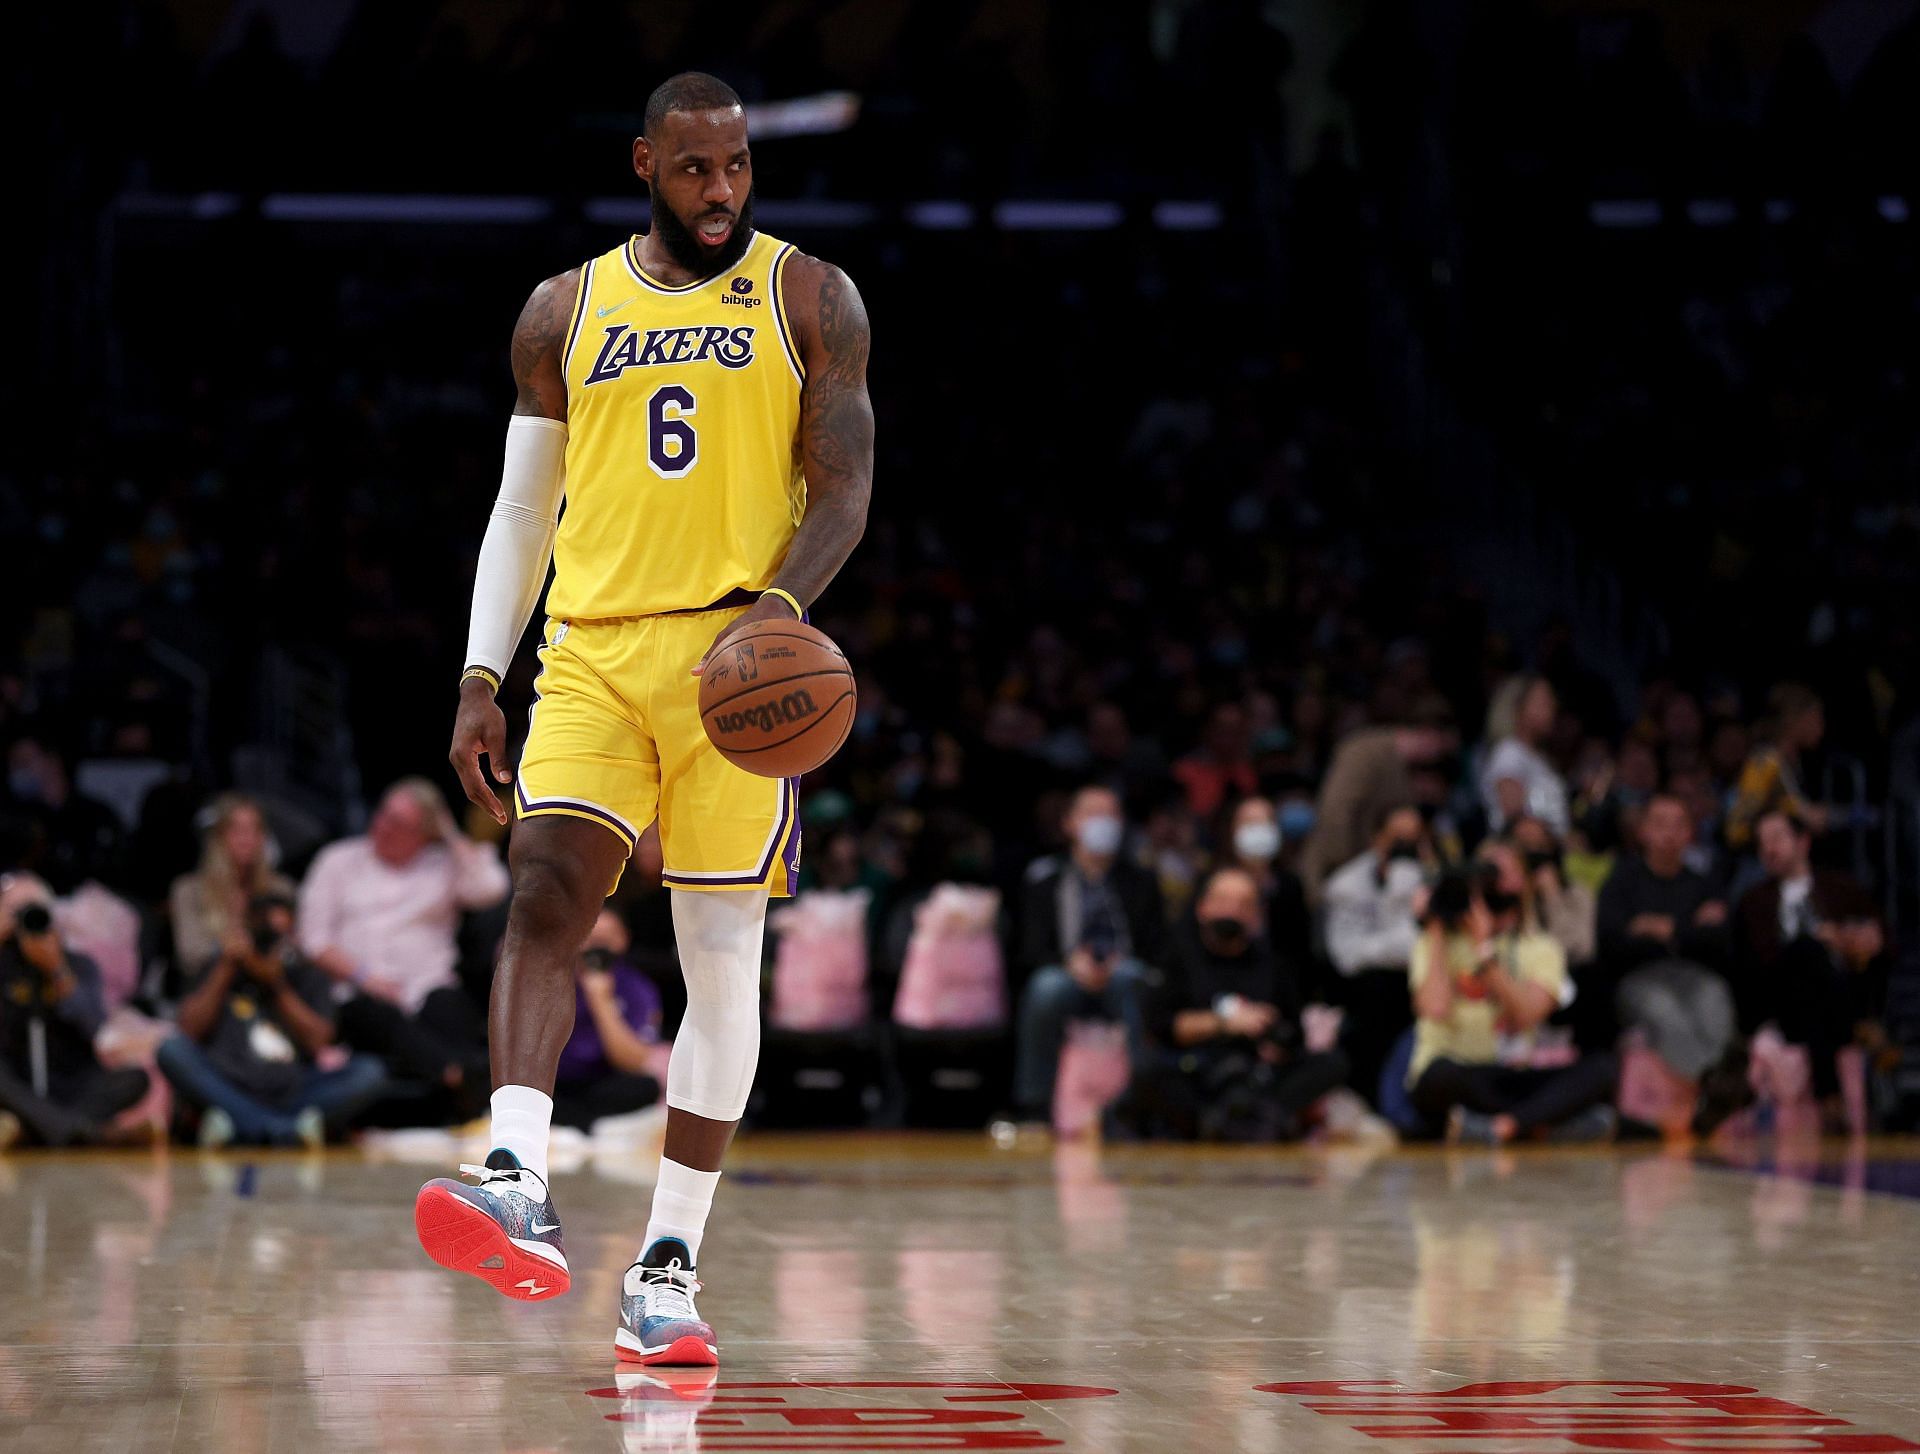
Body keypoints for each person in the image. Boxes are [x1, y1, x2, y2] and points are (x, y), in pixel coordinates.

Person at [418, 72, 873, 1373]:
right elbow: (520, 512)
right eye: (694, 170)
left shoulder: (808, 295)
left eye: (735, 168)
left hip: (739, 658)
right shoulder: (565, 309)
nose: (721, 191)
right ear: (645, 164)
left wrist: (778, 609)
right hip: (596, 652)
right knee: (546, 885)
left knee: (719, 952)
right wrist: (478, 673)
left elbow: (844, 488)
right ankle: (517, 1167)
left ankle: (667, 1262)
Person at [300, 779, 506, 1102]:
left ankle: (466, 1086)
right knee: (378, 1016)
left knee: (451, 1010)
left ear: (424, 834)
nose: (382, 826)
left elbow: (491, 887)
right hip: (358, 993)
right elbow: (313, 940)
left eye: (398, 823)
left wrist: (449, 832)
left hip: (427, 989)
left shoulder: (443, 865)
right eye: (383, 813)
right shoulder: (337, 860)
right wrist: (366, 979)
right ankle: (463, 1077)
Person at [1406, 856, 1618, 1144]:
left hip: (1514, 1073)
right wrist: (1436, 927)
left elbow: (1525, 1016)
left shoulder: (1541, 947)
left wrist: (1485, 950)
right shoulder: (1432, 943)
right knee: (1437, 1076)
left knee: (1601, 1069)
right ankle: (1543, 1124)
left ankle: (1502, 1127)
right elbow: (1435, 1007)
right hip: (1461, 1076)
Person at [1127, 867, 1349, 1141]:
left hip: (1258, 1073)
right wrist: (1224, 1024)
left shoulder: (1273, 963)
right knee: (1145, 1070)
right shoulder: (1176, 956)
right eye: (1223, 901)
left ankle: (1259, 1115)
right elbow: (1161, 1026)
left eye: (1243, 904)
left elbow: (1294, 1035)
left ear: (1256, 914)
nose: (1232, 911)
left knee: (1331, 1063)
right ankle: (1209, 1121)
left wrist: (1276, 1040)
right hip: (1196, 1069)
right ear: (1203, 907)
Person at [156, 891, 385, 1147]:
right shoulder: (219, 965)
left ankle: (243, 1125)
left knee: (369, 1072)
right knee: (171, 1049)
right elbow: (189, 1029)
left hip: (291, 1089)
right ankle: (282, 1129)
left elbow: (318, 1041)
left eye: (279, 936)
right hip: (227, 1085)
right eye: (262, 935)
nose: (269, 944)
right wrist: (226, 966)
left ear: (293, 934)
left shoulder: (307, 973)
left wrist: (277, 985)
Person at [1011, 786, 1162, 1122]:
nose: (1104, 822)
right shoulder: (1044, 877)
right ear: (1069, 823)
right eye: (1093, 813)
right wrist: (1071, 963)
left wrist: (1116, 965)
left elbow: (1156, 948)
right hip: (1067, 972)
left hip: (1123, 971)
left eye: (1111, 814)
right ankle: (1035, 1105)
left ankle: (1137, 1102)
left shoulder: (1141, 880)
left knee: (1133, 982)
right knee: (1046, 988)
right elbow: (1030, 949)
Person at [1733, 811, 1887, 1100]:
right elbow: (1753, 965)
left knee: (1822, 970)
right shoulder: (1753, 902)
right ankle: (1835, 1086)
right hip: (1784, 1005)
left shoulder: (1842, 888)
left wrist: (1851, 940)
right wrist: (1817, 941)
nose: (1768, 848)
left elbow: (1880, 939)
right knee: (1807, 951)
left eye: (1777, 837)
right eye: (1761, 842)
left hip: (1842, 994)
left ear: (1803, 842)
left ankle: (1831, 1095)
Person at [0, 872, 150, 1146]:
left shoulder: (78, 965)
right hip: (15, 1080)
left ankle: (35, 1129)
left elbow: (94, 1025)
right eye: (17, 912)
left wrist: (56, 969)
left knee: (135, 1079)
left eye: (34, 910)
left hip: (70, 1081)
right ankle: (85, 1133)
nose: (26, 919)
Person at [1321, 803, 1430, 1105]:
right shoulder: (1345, 885)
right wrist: (1399, 898)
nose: (1404, 847)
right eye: (1397, 837)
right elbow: (1347, 957)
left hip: (1423, 985)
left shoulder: (1432, 880)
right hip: (1363, 992)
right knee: (1380, 989)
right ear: (1377, 838)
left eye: (1414, 838)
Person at [554, 908, 667, 1131]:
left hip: (607, 1082)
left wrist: (601, 1002)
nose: (596, 949)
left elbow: (635, 1061)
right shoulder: (554, 982)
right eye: (589, 938)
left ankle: (584, 1127)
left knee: (645, 1087)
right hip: (558, 1082)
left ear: (622, 940)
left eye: (605, 940)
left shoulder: (638, 988)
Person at [169, 793, 295, 982]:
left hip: (270, 983)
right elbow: (190, 955)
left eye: (254, 830)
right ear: (218, 837)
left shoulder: (280, 889)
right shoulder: (189, 890)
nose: (247, 839)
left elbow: (297, 950)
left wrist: (281, 936)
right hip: (212, 984)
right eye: (237, 830)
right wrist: (228, 948)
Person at [1725, 684, 1829, 851]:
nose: (1821, 727)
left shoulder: (1795, 763)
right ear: (1795, 720)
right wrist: (1800, 815)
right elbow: (1737, 829)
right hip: (1761, 862)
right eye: (1816, 718)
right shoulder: (1765, 763)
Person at [1218, 795, 1313, 978]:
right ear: (1232, 831)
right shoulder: (1215, 883)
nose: (1259, 830)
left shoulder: (1289, 886)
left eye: (1266, 822)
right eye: (1250, 823)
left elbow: (1300, 949)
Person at [1479, 675, 1570, 835]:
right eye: (1543, 703)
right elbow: (1514, 816)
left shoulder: (1541, 758)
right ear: (1519, 708)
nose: (1552, 709)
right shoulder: (1509, 752)